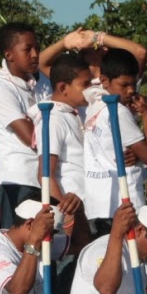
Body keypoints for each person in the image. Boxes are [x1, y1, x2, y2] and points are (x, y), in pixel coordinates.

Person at [0, 22, 76, 229]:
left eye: (37, 47)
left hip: (42, 176)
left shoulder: (41, 81)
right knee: (21, 241)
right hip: (17, 177)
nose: (35, 54)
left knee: (47, 243)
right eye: (28, 49)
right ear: (9, 55)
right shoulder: (0, 87)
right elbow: (31, 137)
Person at [82, 49, 147, 239]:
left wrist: (136, 156)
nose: (131, 90)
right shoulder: (118, 111)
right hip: (124, 202)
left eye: (133, 84)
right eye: (124, 85)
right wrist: (146, 116)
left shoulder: (93, 104)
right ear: (105, 80)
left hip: (98, 203)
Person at [39, 52, 91, 224]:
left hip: (90, 205)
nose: (90, 89)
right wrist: (64, 218)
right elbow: (45, 174)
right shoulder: (52, 119)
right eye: (85, 84)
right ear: (63, 88)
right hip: (73, 209)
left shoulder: (80, 111)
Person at [39, 28, 147, 105]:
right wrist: (63, 43)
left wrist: (97, 37)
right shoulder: (74, 79)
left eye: (98, 46)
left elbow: (140, 53)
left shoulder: (119, 76)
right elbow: (40, 63)